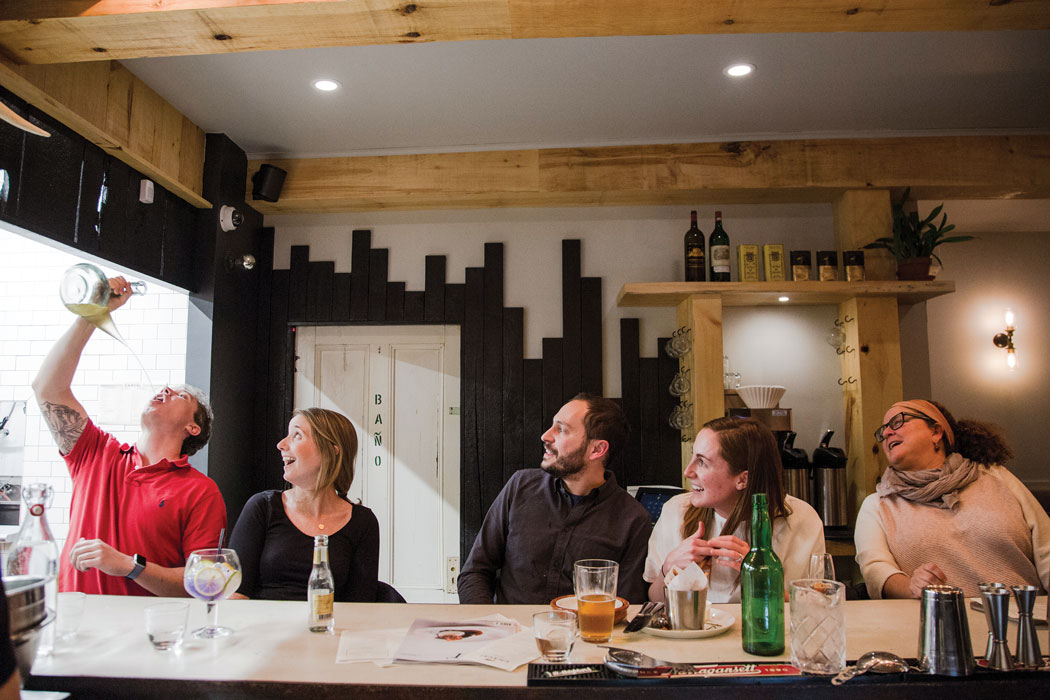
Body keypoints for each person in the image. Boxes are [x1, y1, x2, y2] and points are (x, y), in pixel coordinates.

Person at [32, 276, 226, 596]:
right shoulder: (96, 453)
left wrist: (129, 565)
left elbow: (204, 584)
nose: (165, 389)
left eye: (181, 395)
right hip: (77, 627)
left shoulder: (200, 492)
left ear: (194, 427)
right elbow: (47, 388)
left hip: (148, 637)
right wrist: (92, 314)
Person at [457, 394, 653, 604]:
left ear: (596, 449)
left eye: (561, 430)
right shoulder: (520, 486)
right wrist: (490, 626)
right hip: (509, 632)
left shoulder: (633, 520)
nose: (545, 436)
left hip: (584, 634)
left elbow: (626, 606)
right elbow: (474, 573)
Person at [855, 399, 1049, 599]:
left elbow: (1047, 548)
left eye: (897, 422)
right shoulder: (878, 505)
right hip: (937, 625)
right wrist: (911, 587)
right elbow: (875, 569)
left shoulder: (996, 477)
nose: (886, 433)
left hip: (1022, 622)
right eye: (883, 430)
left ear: (936, 432)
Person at [644, 417, 825, 603]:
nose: (688, 472)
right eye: (693, 457)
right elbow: (654, 600)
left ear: (742, 480)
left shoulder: (802, 520)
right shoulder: (675, 511)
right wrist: (668, 568)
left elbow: (819, 606)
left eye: (702, 462)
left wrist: (763, 581)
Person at [229, 408, 379, 601]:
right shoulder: (262, 507)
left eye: (297, 435)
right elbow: (236, 593)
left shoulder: (362, 522)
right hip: (266, 628)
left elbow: (362, 607)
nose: (281, 444)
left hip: (329, 627)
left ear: (330, 451)